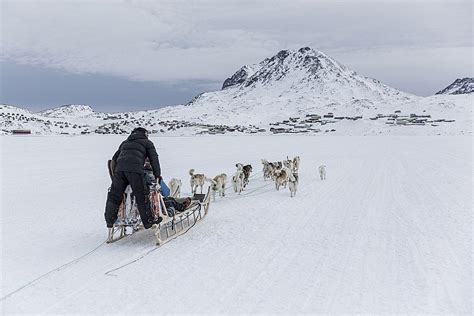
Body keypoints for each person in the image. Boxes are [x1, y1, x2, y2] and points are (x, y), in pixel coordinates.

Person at [104, 127, 162, 229]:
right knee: (141, 195)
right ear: (145, 134)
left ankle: (110, 221)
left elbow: (113, 160)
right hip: (135, 171)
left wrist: (114, 176)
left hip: (119, 171)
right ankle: (148, 221)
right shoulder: (147, 142)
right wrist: (157, 175)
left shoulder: (125, 143)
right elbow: (154, 159)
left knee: (114, 196)